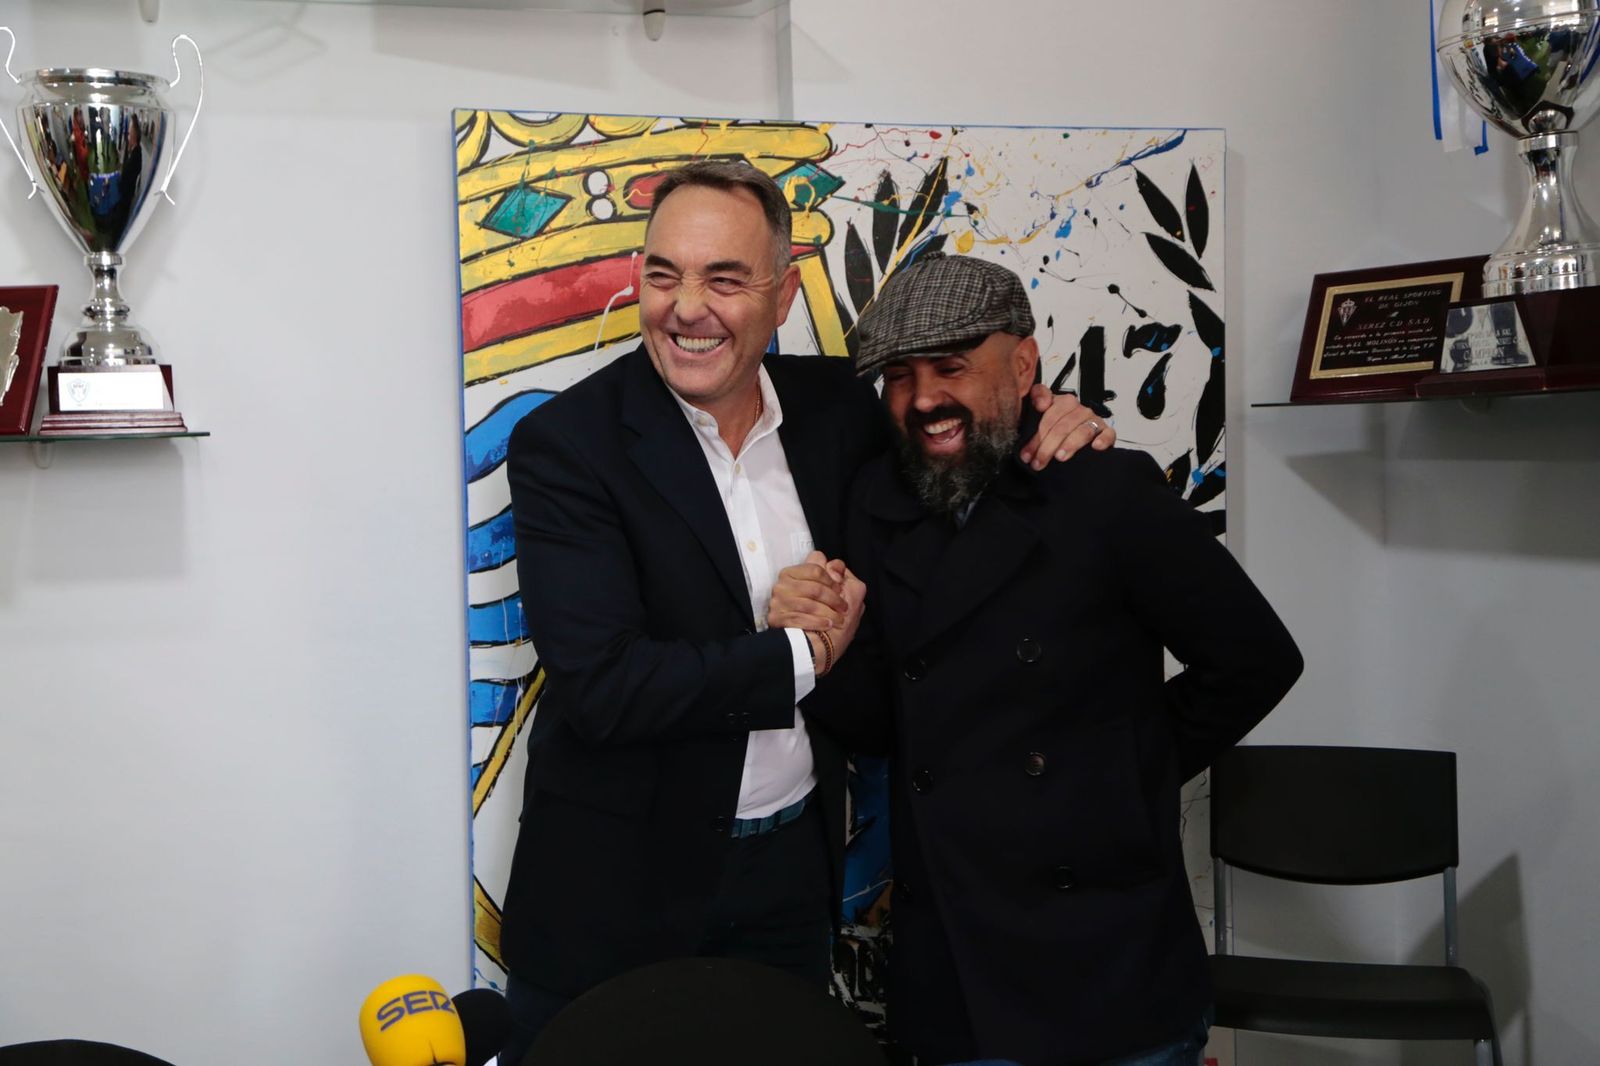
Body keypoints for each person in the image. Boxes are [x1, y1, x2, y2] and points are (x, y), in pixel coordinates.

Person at [498, 162, 1115, 1063]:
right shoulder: (567, 445)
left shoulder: (839, 411)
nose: (684, 307)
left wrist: (1049, 417)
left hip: (790, 876)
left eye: (724, 278)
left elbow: (953, 449)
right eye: (664, 274)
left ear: (784, 293)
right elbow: (606, 687)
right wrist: (799, 651)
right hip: (614, 898)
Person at [770, 253, 1304, 1066]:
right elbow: (886, 727)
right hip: (953, 971)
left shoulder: (1107, 491)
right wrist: (819, 654)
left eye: (951, 367)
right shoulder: (874, 505)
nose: (923, 401)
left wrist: (1123, 772)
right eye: (901, 378)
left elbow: (1257, 660)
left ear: (1024, 366)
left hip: (1106, 961)